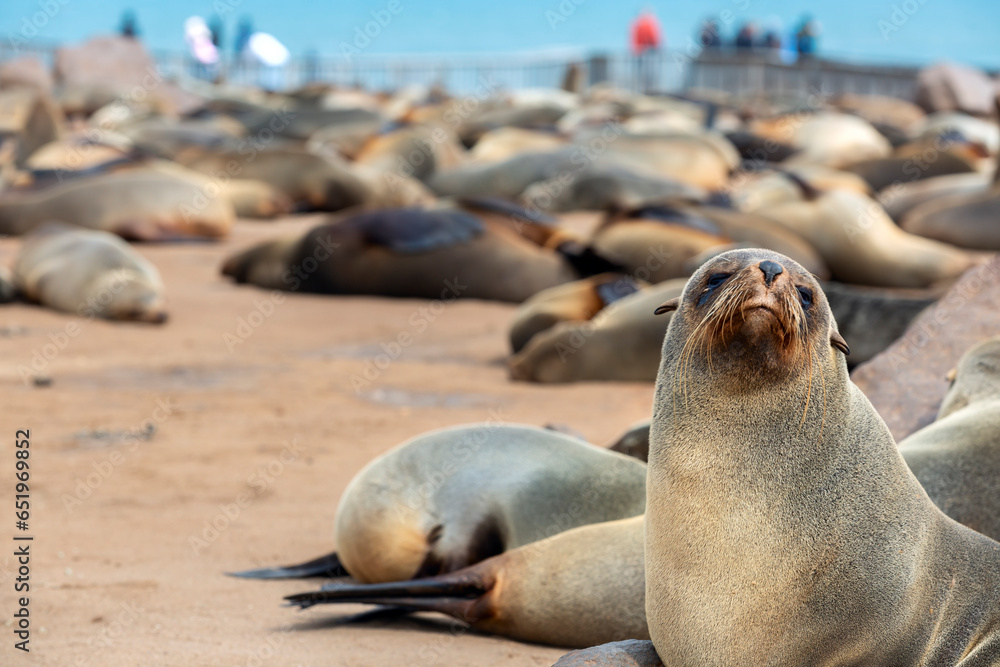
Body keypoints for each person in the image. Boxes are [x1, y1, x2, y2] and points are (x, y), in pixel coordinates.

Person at [630, 7, 663, 94]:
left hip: (639, 51)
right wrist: (656, 47)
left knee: (641, 71)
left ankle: (642, 88)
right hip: (648, 51)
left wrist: (635, 49)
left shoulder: (637, 23)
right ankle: (649, 88)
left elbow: (634, 37)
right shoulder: (649, 23)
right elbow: (653, 36)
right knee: (649, 70)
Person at [184, 16, 219, 80]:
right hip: (206, 58)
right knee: (202, 70)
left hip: (204, 57)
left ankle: (201, 79)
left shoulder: (194, 34)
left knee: (201, 71)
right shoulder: (204, 32)